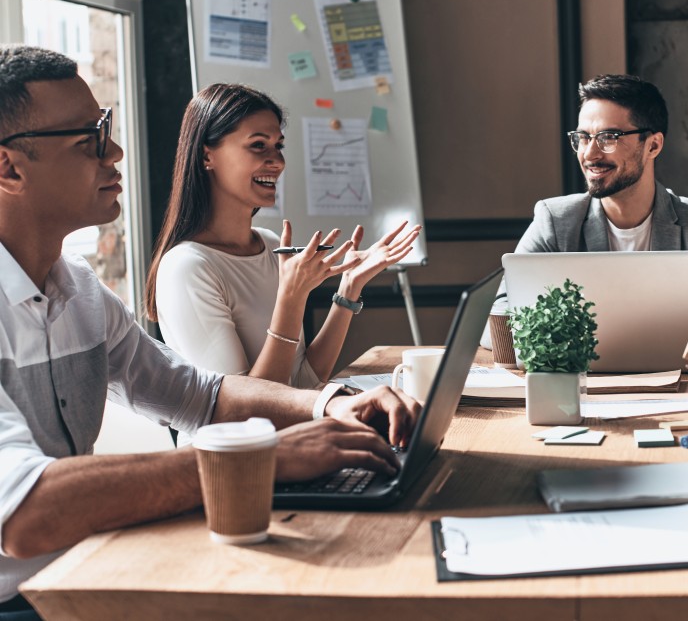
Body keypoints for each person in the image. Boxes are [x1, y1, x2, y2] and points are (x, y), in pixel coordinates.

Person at [0, 45, 419, 615]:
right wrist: (263, 459)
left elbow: (201, 394)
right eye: (89, 139)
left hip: (86, 569)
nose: (116, 152)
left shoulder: (77, 287)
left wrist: (329, 403)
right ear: (8, 168)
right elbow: (27, 515)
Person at [145, 83, 420, 389]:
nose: (277, 161)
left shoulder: (273, 246)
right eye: (258, 145)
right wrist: (291, 298)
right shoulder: (187, 268)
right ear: (207, 156)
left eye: (279, 146)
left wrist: (350, 287)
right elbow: (245, 410)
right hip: (241, 437)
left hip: (295, 434)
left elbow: (302, 380)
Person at [484, 74, 688, 346]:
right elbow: (498, 320)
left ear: (653, 145)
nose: (590, 154)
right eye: (583, 137)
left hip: (681, 387)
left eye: (608, 137)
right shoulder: (555, 222)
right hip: (584, 388)